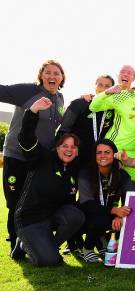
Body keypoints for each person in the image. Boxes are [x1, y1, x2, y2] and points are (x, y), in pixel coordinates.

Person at [10, 97, 84, 266]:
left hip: (50, 218)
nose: (69, 150)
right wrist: (33, 112)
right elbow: (26, 138)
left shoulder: (73, 170)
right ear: (57, 147)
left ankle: (45, 245)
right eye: (65, 146)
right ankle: (22, 244)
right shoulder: (42, 158)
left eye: (73, 147)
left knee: (76, 216)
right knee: (50, 260)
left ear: (77, 152)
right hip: (30, 219)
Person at [1, 60, 66, 252]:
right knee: (14, 202)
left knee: (31, 202)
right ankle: (15, 244)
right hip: (16, 156)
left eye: (57, 73)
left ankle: (27, 240)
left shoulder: (60, 99)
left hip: (39, 159)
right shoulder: (29, 91)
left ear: (62, 78)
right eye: (48, 72)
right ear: (41, 75)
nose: (52, 76)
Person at [89, 66, 135, 191]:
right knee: (111, 189)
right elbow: (93, 107)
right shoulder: (124, 96)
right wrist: (107, 92)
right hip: (115, 148)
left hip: (133, 152)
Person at [77, 139, 132, 263]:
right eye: (99, 152)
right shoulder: (86, 172)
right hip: (87, 214)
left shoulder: (122, 175)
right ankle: (88, 249)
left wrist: (120, 216)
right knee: (98, 219)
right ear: (94, 155)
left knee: (128, 221)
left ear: (114, 154)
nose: (103, 156)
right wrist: (114, 210)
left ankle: (104, 240)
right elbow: (87, 204)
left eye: (107, 152)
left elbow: (128, 199)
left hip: (109, 214)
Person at [58, 75, 116, 168]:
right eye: (100, 85)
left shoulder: (114, 108)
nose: (103, 89)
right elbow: (63, 130)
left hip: (101, 159)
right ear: (95, 86)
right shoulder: (80, 103)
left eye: (107, 86)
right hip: (77, 158)